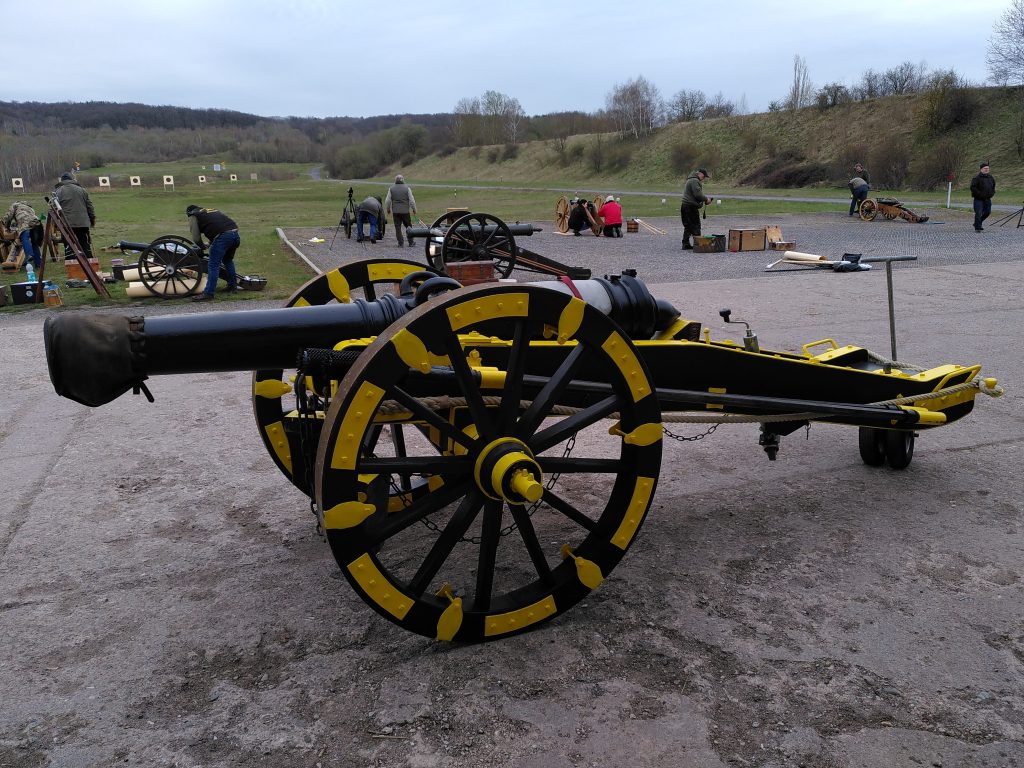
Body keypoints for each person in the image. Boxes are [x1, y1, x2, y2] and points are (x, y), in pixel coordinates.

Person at [186, 204, 240, 302]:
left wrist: (201, 247)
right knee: (228, 260)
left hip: (223, 237)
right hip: (235, 234)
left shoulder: (193, 215)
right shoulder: (209, 211)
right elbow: (218, 226)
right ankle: (232, 286)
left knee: (213, 265)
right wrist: (210, 243)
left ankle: (208, 293)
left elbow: (196, 238)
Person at [54, 172, 96, 258]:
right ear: (72, 179)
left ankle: (71, 262)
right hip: (82, 222)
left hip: (67, 223)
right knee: (84, 244)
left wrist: (56, 224)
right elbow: (89, 206)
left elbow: (55, 208)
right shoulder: (82, 190)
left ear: (62, 180)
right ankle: (89, 262)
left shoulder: (59, 191)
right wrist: (92, 219)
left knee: (69, 245)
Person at [2, 200, 43, 271]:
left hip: (25, 223)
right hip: (37, 224)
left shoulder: (15, 205)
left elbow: (8, 217)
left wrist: (7, 227)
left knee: (25, 238)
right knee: (34, 244)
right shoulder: (29, 207)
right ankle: (38, 264)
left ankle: (29, 256)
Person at [680, 169, 713, 250]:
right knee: (696, 225)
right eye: (704, 176)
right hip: (690, 207)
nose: (703, 178)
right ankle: (698, 244)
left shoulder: (691, 179)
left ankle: (685, 243)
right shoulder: (694, 181)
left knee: (688, 225)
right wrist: (706, 199)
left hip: (686, 206)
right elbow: (698, 195)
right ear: (700, 174)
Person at [384, 174, 417, 247]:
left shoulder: (391, 189)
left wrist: (388, 209)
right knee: (408, 227)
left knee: (397, 227)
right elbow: (412, 201)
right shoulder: (407, 188)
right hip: (405, 211)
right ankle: (411, 242)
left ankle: (400, 243)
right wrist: (414, 209)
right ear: (403, 180)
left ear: (395, 180)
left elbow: (387, 201)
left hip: (396, 212)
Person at [970, 162, 996, 232]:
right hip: (978, 199)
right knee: (978, 213)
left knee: (988, 212)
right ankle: (978, 228)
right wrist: (980, 194)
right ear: (981, 169)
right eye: (985, 168)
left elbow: (993, 186)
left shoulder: (991, 177)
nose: (987, 169)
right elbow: (973, 188)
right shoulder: (976, 178)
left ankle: (977, 223)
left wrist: (992, 193)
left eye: (988, 168)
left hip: (988, 198)